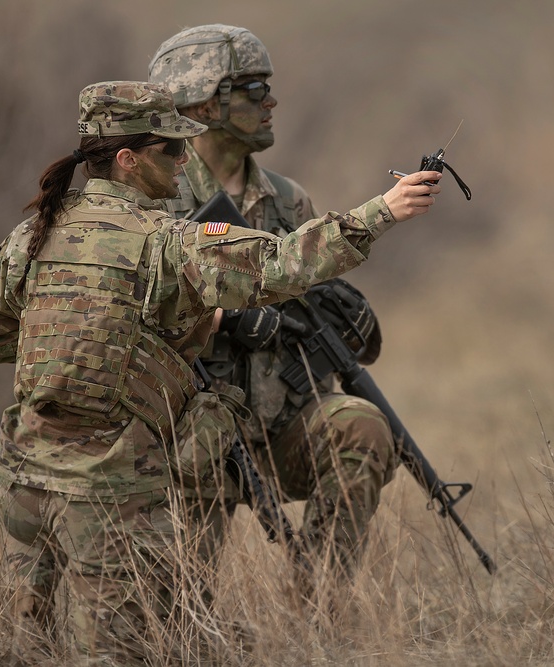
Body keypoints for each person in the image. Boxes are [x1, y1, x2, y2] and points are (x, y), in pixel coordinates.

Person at [0, 80, 440, 664]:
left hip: (21, 482)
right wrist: (383, 211)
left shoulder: (31, 234)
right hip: (106, 490)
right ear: (128, 159)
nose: (183, 158)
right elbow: (281, 264)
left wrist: (90, 352)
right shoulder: (167, 244)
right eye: (171, 148)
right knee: (122, 654)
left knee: (25, 650)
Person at [147, 24, 400, 583]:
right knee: (177, 613)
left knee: (362, 428)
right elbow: (133, 317)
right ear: (205, 103)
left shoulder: (288, 201)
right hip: (183, 440)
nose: (271, 102)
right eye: (255, 89)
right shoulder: (155, 200)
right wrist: (223, 319)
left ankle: (315, 606)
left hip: (276, 428)